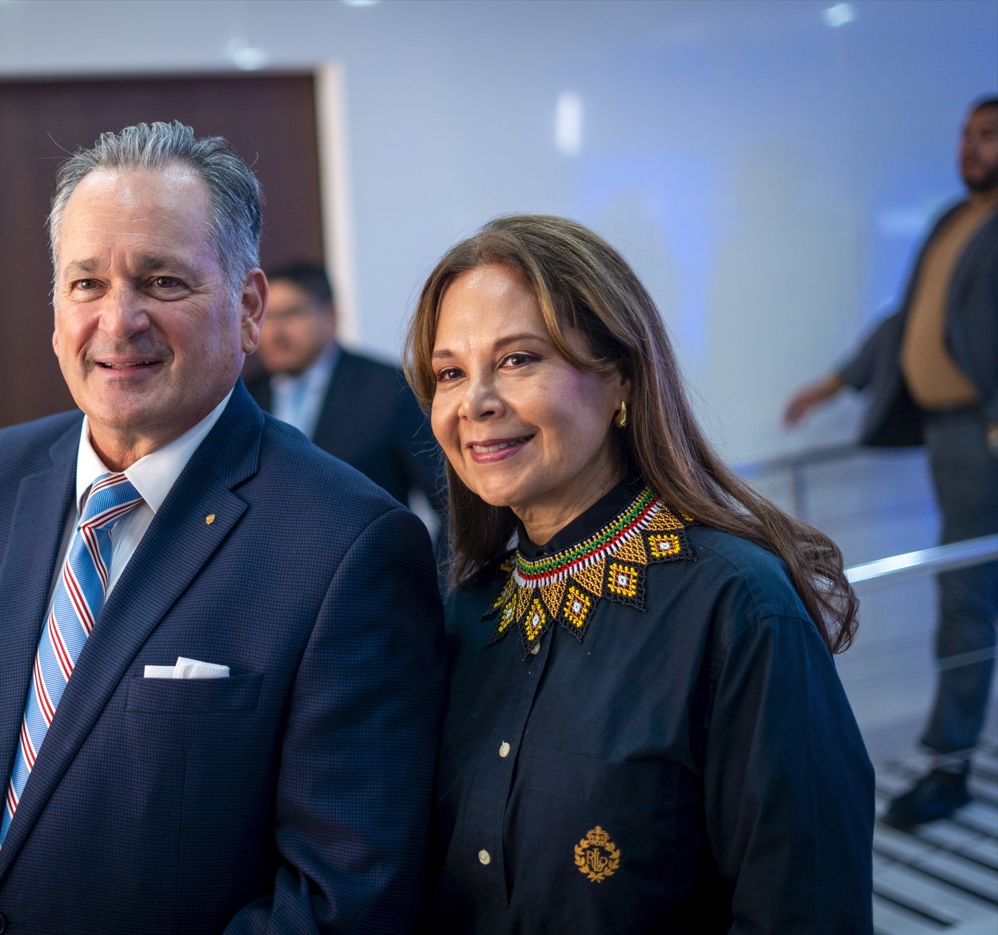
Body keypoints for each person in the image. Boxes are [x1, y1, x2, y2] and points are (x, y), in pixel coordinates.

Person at [0, 121, 445, 934]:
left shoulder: (347, 544)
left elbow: (342, 891)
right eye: (86, 283)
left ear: (248, 307)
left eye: (162, 281)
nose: (119, 321)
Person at [408, 215, 873, 932]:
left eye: (519, 359)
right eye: (450, 373)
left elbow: (805, 910)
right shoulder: (467, 611)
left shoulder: (737, 605)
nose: (476, 402)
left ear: (621, 375)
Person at [784, 95, 998, 827]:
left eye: (988, 135)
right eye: (966, 134)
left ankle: (948, 763)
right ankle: (953, 758)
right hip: (951, 436)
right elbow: (909, 321)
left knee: (967, 595)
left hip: (983, 433)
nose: (970, 147)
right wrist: (836, 381)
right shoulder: (954, 219)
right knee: (969, 592)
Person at [247, 260, 445, 516]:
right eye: (266, 317)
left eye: (291, 313)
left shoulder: (389, 389)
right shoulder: (247, 396)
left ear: (330, 314)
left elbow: (447, 502)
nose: (275, 332)